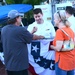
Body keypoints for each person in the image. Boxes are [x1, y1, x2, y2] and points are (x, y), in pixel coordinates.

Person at [1, 10, 45, 75]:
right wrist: (42, 37)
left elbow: (20, 37)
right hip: (19, 66)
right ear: (16, 19)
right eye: (20, 17)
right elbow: (32, 37)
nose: (21, 18)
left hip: (9, 65)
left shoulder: (4, 29)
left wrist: (32, 32)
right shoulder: (20, 30)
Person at [27, 8, 56, 75]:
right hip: (37, 54)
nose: (37, 18)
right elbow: (27, 38)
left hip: (48, 54)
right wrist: (32, 32)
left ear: (42, 15)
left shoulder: (49, 25)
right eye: (35, 17)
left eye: (39, 16)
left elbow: (54, 37)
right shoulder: (31, 26)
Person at [50, 10, 75, 75]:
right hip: (71, 60)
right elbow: (72, 45)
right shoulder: (70, 29)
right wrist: (67, 47)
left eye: (55, 18)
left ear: (59, 20)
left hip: (62, 61)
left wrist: (51, 46)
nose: (54, 20)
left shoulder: (59, 31)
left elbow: (58, 48)